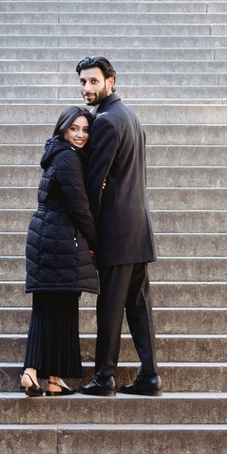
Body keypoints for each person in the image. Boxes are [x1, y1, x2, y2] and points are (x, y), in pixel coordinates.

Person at [74, 54, 161, 397]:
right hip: (138, 228)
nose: (87, 87)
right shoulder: (130, 116)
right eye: (83, 81)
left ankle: (104, 378)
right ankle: (149, 376)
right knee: (139, 307)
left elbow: (94, 185)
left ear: (110, 82)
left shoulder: (107, 121)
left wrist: (90, 235)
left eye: (93, 81)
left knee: (110, 307)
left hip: (117, 231)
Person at [20, 107, 99, 397]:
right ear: (63, 129)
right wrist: (95, 241)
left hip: (50, 236)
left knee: (56, 307)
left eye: (85, 130)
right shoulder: (68, 158)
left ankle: (53, 378)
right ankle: (31, 372)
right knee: (52, 306)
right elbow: (79, 207)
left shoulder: (62, 155)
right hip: (59, 239)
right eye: (74, 129)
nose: (80, 135)